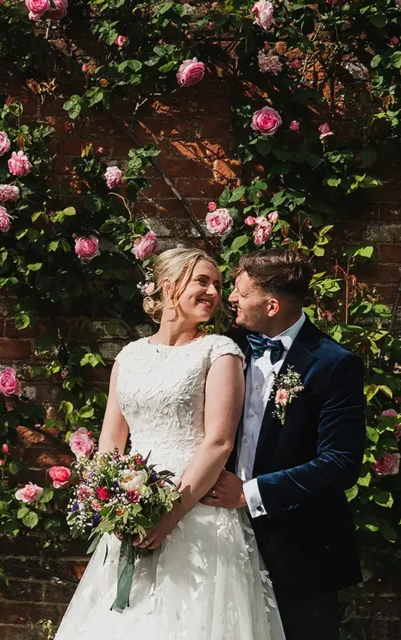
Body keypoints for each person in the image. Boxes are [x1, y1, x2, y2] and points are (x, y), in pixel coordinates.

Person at [53, 247, 284, 640]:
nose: (214, 292)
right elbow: (111, 441)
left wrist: (169, 515)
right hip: (131, 511)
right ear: (169, 286)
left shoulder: (220, 352)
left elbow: (219, 441)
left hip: (195, 512)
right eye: (203, 281)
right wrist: (111, 502)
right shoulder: (129, 357)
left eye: (218, 284)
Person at [201, 249, 365, 640]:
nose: (232, 299)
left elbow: (340, 463)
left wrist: (249, 494)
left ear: (271, 305)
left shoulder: (334, 364)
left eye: (241, 291)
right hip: (218, 536)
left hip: (300, 547)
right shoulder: (223, 349)